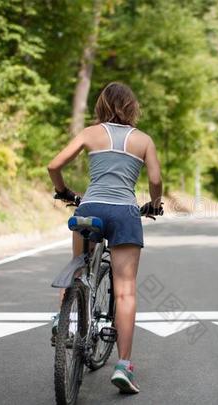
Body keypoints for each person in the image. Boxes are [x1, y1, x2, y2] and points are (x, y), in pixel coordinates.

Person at [47, 82, 163, 394]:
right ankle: (124, 366)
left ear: (101, 106)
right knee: (124, 292)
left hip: (91, 208)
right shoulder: (143, 140)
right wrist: (155, 203)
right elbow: (155, 179)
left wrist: (63, 191)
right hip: (124, 213)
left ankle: (66, 323)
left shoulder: (90, 133)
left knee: (77, 265)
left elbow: (53, 165)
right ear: (132, 107)